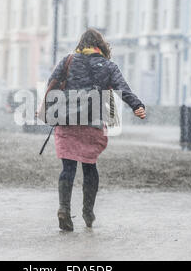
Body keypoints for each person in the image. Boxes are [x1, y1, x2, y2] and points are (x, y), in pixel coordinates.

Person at [47, 28, 146, 231]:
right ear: (101, 46)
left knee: (68, 168)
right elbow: (122, 88)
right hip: (92, 122)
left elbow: (52, 84)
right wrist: (137, 106)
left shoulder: (68, 60)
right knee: (90, 166)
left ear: (81, 44)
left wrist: (50, 108)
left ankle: (64, 209)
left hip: (67, 121)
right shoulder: (108, 66)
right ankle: (88, 211)